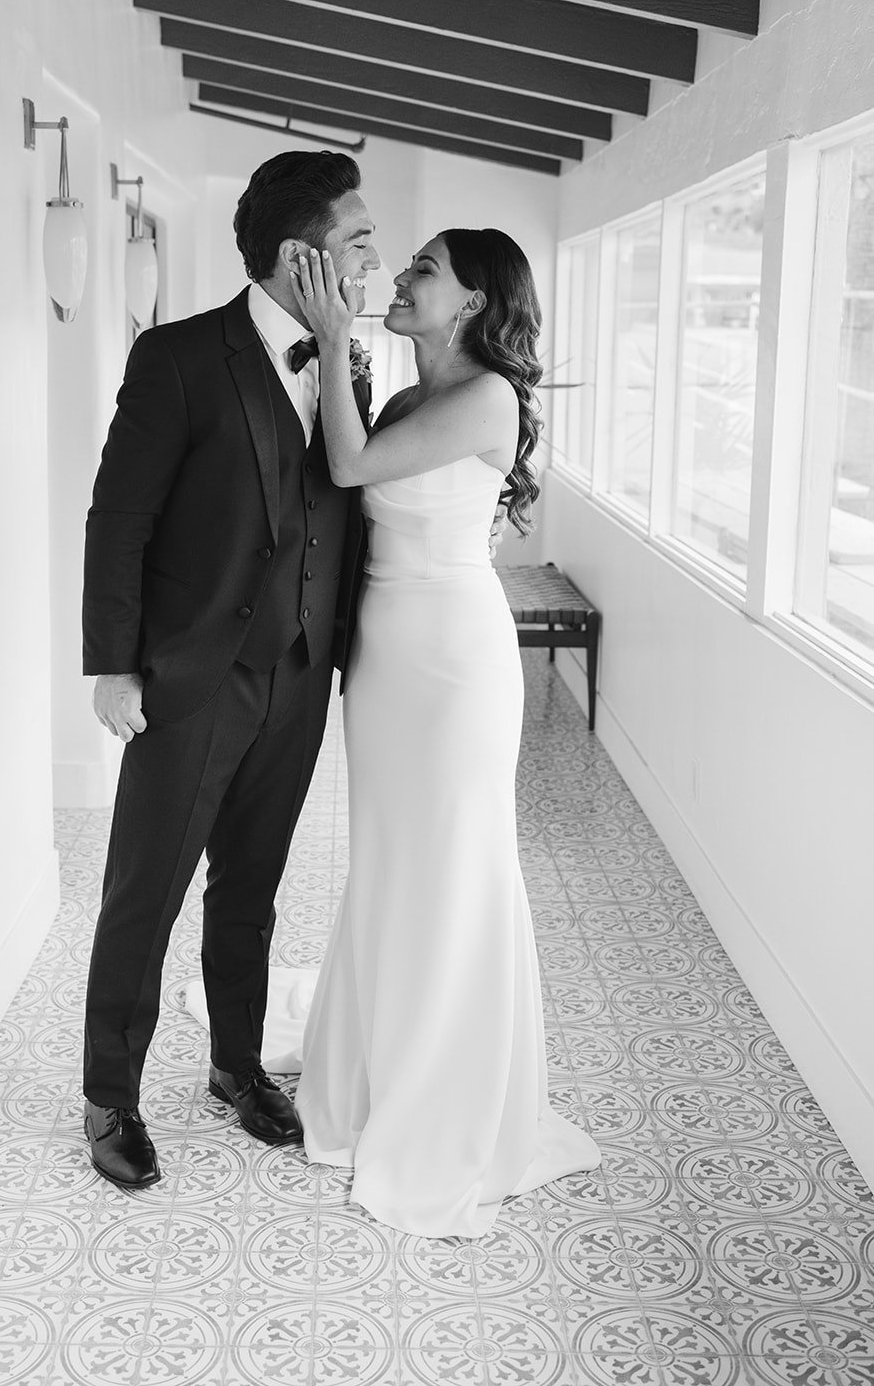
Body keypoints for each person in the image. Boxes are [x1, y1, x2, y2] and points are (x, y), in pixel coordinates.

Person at [288, 228, 602, 1238]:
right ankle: (380, 1060)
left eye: (424, 268)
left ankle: (450, 1092)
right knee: (388, 859)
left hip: (454, 666)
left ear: (469, 303)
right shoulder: (408, 396)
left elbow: (348, 465)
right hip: (382, 663)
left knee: (455, 865)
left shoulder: (485, 399)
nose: (402, 277)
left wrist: (332, 334)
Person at [79, 150, 380, 1187]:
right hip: (190, 674)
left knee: (250, 887)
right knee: (144, 891)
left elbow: (343, 508)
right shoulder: (172, 358)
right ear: (301, 258)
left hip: (298, 675)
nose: (371, 257)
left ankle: (235, 1063)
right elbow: (118, 519)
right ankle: (108, 1096)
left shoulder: (353, 361)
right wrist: (112, 666)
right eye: (354, 241)